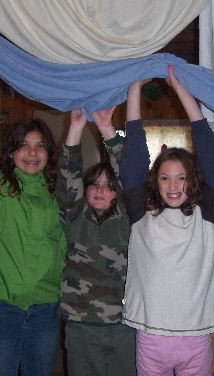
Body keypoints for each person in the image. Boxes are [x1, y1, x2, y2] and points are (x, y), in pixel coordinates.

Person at [120, 65, 214, 376]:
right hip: (151, 336)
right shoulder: (143, 211)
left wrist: (180, 88)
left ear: (193, 180)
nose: (173, 185)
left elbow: (209, 149)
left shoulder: (207, 211)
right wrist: (134, 89)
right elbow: (133, 158)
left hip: (196, 336)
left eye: (181, 177)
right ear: (155, 182)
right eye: (164, 178)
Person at [0, 72, 67, 376]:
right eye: (24, 145)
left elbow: (63, 245)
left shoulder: (59, 192)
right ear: (11, 152)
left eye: (40, 146)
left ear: (49, 153)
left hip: (46, 307)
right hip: (2, 307)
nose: (32, 152)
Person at [57, 107, 136, 376]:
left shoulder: (129, 216)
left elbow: (130, 176)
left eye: (109, 186)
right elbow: (68, 177)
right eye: (94, 184)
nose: (101, 190)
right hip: (80, 324)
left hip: (125, 323)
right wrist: (75, 128)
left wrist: (106, 129)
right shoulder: (75, 215)